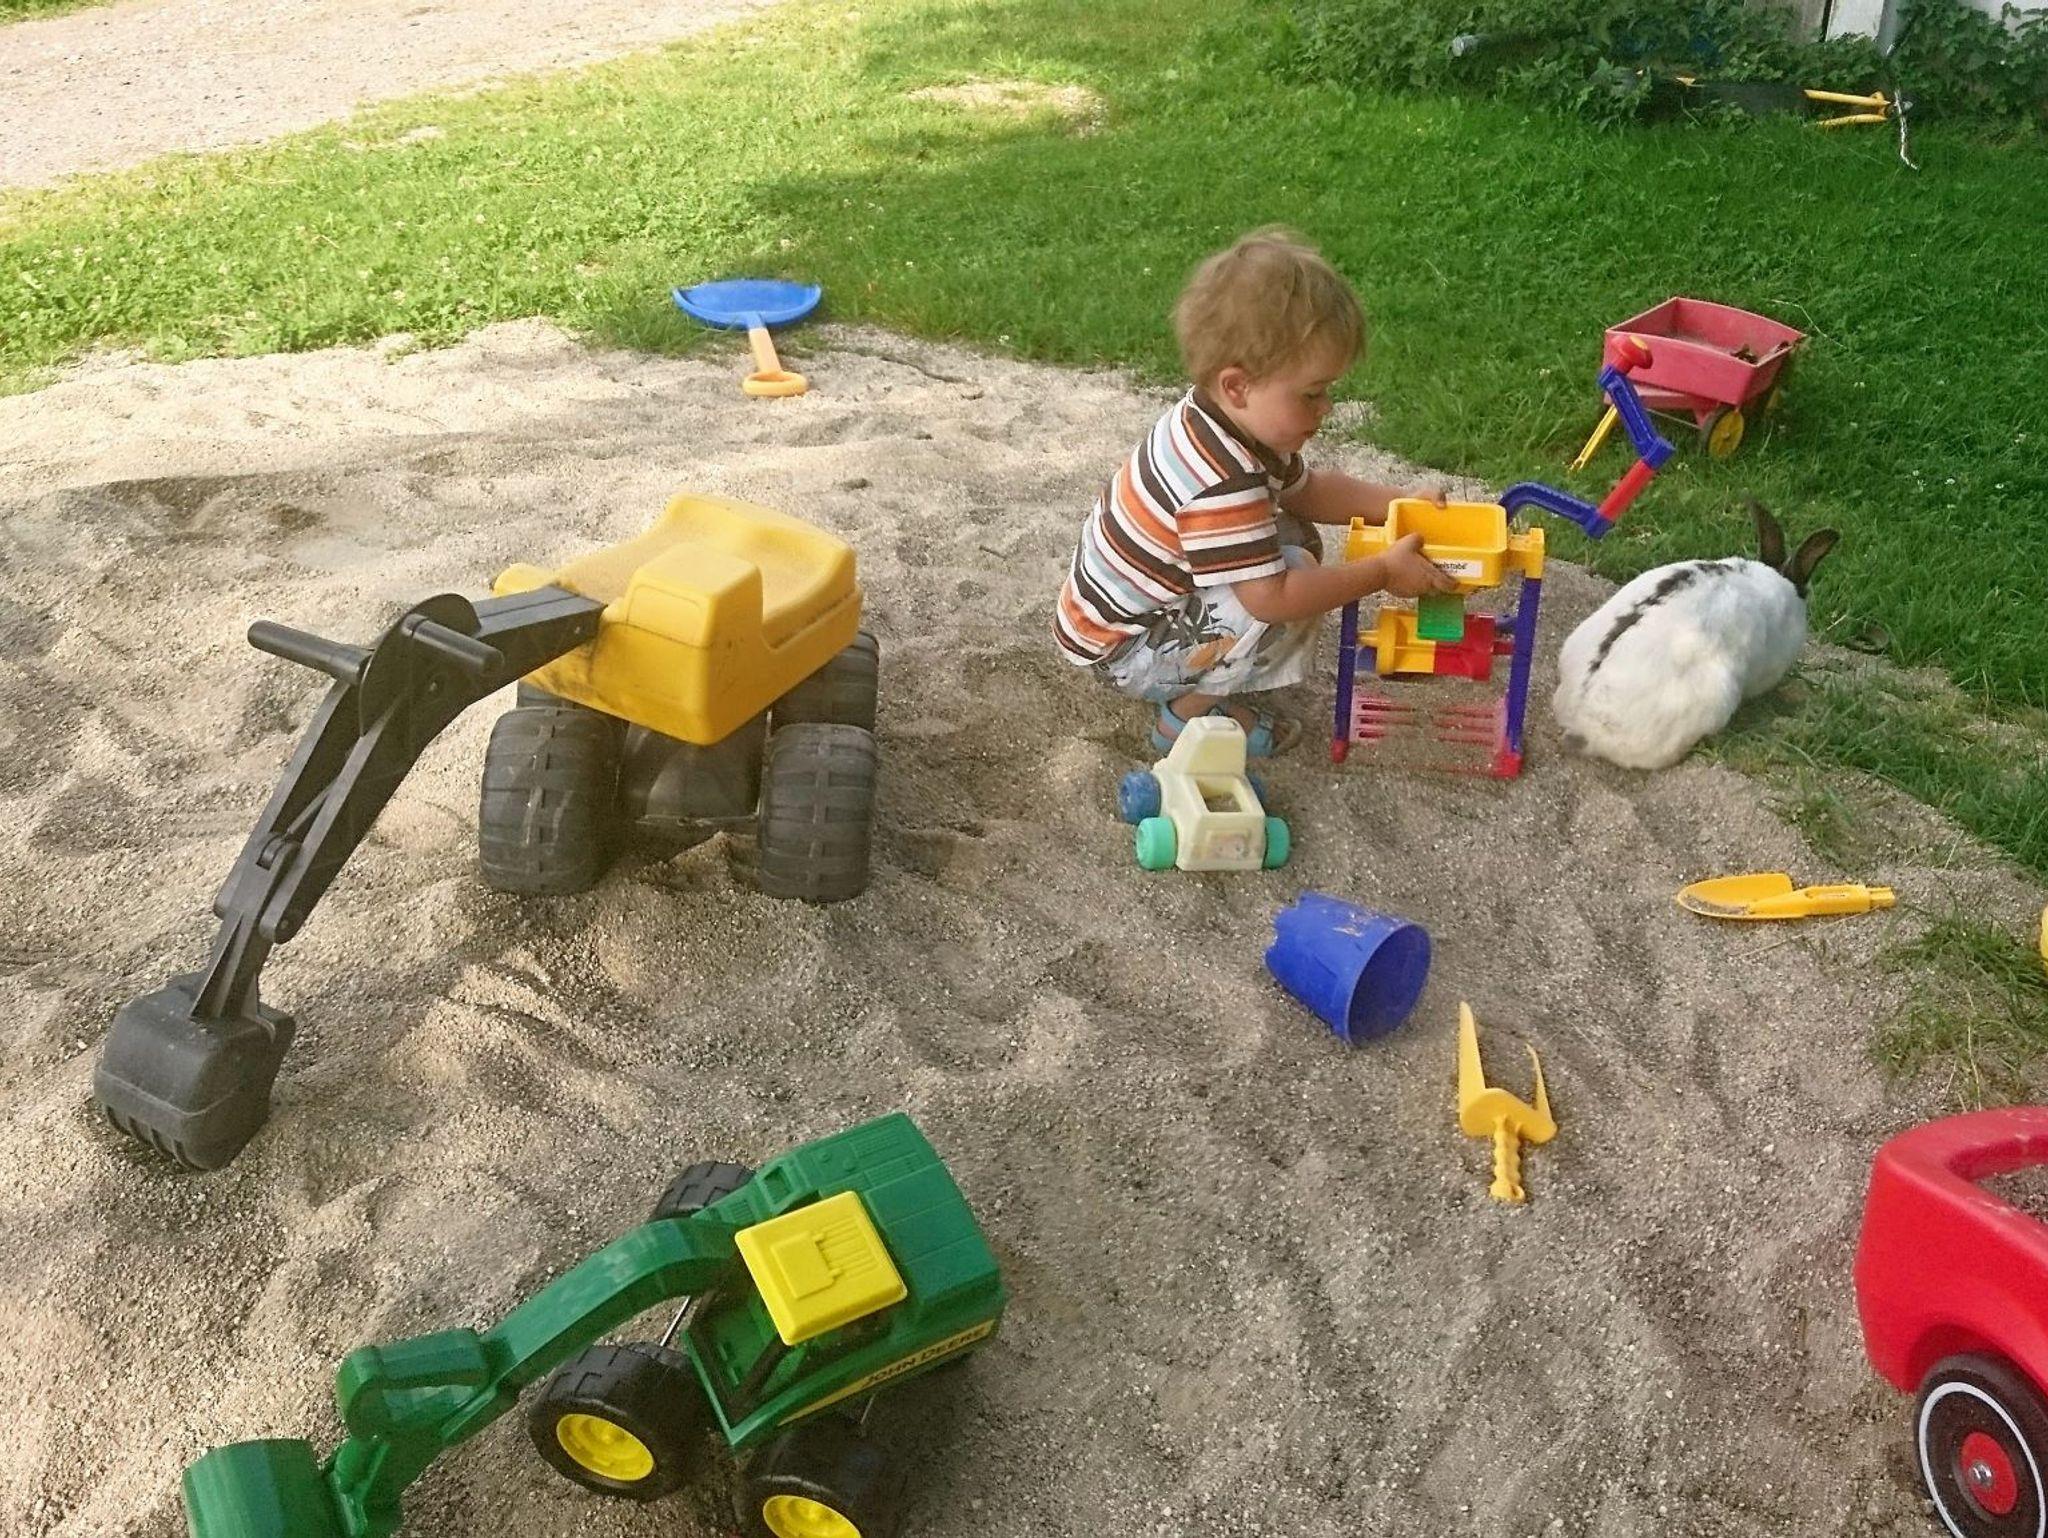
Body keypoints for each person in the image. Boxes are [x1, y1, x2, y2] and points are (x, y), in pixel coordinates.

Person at [1053, 227, 1455, 757]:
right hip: (1125, 653)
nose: (1326, 408)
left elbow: (1308, 491)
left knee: (1293, 535)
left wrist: (1399, 504)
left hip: (1117, 619)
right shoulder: (1224, 479)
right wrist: (1381, 572)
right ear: (1237, 386)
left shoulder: (1223, 420)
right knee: (1293, 588)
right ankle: (1187, 716)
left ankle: (1206, 674)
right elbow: (1273, 599)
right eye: (1312, 393)